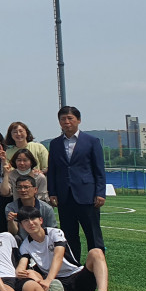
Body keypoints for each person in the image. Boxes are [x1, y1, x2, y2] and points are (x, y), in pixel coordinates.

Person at [17, 206, 111, 291]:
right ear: (22, 226)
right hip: (57, 284)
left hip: (77, 278)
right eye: (26, 221)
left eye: (33, 218)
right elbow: (22, 264)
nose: (30, 223)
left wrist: (49, 280)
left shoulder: (55, 233)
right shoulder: (25, 245)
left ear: (41, 220)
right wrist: (20, 271)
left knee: (96, 252)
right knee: (29, 273)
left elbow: (58, 256)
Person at [47, 106, 106, 255]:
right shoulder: (55, 144)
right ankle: (73, 265)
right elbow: (52, 170)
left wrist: (100, 193)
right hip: (64, 196)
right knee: (69, 235)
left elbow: (99, 169)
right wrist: (52, 192)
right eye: (63, 119)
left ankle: (96, 264)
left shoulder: (91, 141)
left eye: (70, 118)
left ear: (78, 120)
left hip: (87, 195)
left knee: (93, 234)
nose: (66, 122)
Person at [5, 175, 58, 240]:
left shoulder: (47, 208)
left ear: (35, 190)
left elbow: (53, 231)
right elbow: (13, 233)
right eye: (19, 187)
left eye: (26, 187)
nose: (23, 190)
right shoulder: (11, 207)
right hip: (22, 242)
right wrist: (11, 221)